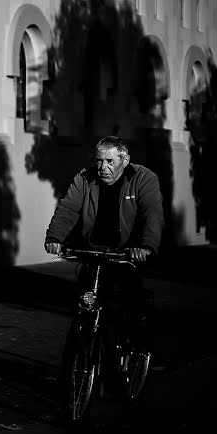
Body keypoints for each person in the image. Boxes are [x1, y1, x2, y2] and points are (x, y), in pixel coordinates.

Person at [44, 136, 163, 348]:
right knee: (83, 305)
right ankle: (80, 354)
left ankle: (136, 345)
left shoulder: (143, 178)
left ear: (124, 161)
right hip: (94, 251)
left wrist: (146, 246)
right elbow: (68, 208)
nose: (103, 167)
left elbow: (151, 214)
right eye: (99, 161)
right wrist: (55, 237)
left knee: (124, 306)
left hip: (126, 254)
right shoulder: (84, 178)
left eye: (110, 162)